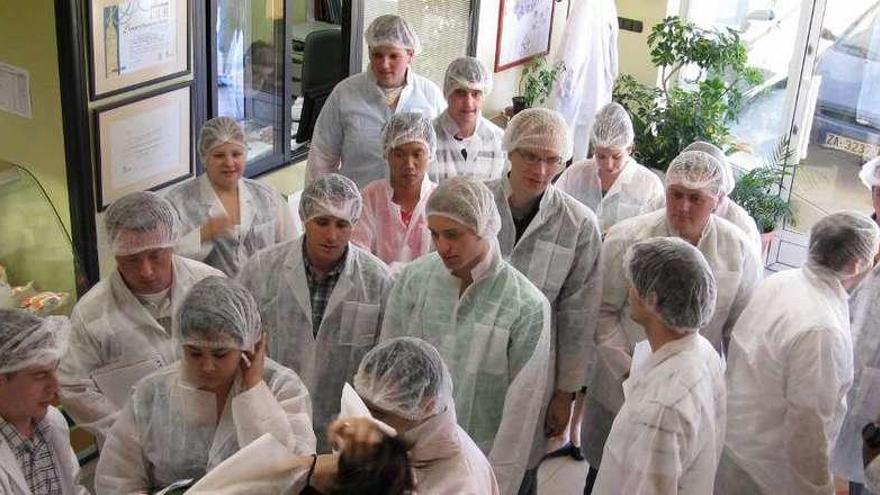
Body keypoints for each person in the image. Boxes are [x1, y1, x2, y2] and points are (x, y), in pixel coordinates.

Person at [582, 149, 761, 491]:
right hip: (617, 388)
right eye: (675, 195)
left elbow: (741, 336)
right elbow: (601, 311)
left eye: (695, 198)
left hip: (688, 387)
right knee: (605, 473)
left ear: (718, 200)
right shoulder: (627, 239)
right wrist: (631, 372)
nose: (682, 207)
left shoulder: (738, 252)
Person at [380, 176, 551, 494]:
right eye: (435, 233)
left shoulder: (525, 306)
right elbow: (388, 372)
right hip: (411, 455)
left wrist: (496, 483)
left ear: (484, 228)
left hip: (480, 461)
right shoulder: (416, 279)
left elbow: (521, 413)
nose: (442, 246)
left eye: (454, 234)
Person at [95, 276, 316, 494]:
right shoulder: (152, 394)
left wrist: (254, 387)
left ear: (249, 344)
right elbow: (118, 477)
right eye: (195, 353)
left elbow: (293, 471)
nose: (207, 366)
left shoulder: (281, 386)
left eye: (221, 353)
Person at [716, 212, 880, 495]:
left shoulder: (780, 281)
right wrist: (818, 489)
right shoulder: (821, 329)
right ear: (856, 264)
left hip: (737, 446)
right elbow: (808, 428)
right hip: (770, 474)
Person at [237, 174, 393, 451]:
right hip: (274, 416)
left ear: (354, 224)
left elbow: (384, 361)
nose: (332, 235)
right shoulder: (261, 270)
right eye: (322, 222)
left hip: (345, 428)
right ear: (304, 217)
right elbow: (240, 344)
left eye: (342, 224)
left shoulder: (377, 280)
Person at [487, 108, 602, 480]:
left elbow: (578, 314)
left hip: (538, 366)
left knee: (523, 467)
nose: (540, 170)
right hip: (472, 351)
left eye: (552, 160)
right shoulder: (477, 202)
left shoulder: (579, 224)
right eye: (531, 157)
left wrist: (565, 392)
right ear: (510, 150)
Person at [58, 192, 223, 443]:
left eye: (155, 255)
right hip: (133, 450)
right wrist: (128, 430)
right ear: (115, 254)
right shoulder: (92, 313)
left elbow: (243, 350)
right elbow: (72, 386)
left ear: (171, 244)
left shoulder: (209, 284)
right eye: (132, 259)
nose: (146, 271)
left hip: (213, 429)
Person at [592, 237, 725, 494]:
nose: (628, 290)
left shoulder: (663, 406)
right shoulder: (703, 353)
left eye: (633, 283)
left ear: (651, 299)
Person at [307, 15, 446, 188]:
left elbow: (443, 159)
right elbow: (322, 157)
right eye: (377, 55)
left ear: (410, 55)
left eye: (393, 56)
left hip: (414, 210)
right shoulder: (345, 94)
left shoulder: (429, 96)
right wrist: (319, 208)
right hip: (359, 207)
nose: (384, 64)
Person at [165, 116, 295, 276]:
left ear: (245, 154)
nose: (229, 163)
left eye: (236, 154)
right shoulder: (177, 203)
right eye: (219, 155)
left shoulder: (267, 197)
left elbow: (291, 250)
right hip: (209, 298)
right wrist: (203, 234)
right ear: (204, 158)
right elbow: (166, 261)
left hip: (265, 297)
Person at [0, 310, 87, 495]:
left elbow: (74, 489)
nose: (55, 387)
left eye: (54, 370)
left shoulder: (51, 422)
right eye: (40, 375)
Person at [555, 102, 665, 233]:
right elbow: (555, 211)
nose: (609, 165)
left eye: (616, 156)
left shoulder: (648, 185)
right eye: (601, 156)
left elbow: (656, 230)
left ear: (629, 148)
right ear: (594, 148)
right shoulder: (575, 174)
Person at [352, 112, 437, 269]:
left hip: (428, 292)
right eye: (399, 155)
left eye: (417, 154)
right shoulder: (370, 197)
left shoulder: (440, 201)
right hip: (376, 291)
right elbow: (358, 256)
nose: (409, 164)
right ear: (386, 155)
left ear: (430, 154)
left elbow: (444, 263)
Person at [681, 141, 762, 258]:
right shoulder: (667, 206)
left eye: (697, 197)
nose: (685, 206)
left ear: (721, 191)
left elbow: (750, 271)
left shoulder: (741, 226)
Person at [431, 56, 506, 183]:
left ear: (484, 95)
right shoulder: (428, 138)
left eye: (475, 94)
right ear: (447, 93)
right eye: (460, 93)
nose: (468, 103)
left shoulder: (499, 140)